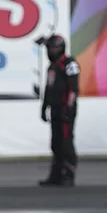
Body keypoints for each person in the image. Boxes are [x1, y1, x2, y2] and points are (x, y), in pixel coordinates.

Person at [37, 34, 80, 187]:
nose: (50, 51)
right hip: (55, 109)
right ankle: (56, 175)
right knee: (55, 143)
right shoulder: (52, 67)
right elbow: (48, 89)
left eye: (53, 48)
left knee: (66, 142)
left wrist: (68, 109)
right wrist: (44, 107)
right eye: (49, 48)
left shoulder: (69, 63)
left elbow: (73, 89)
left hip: (65, 109)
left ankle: (68, 174)